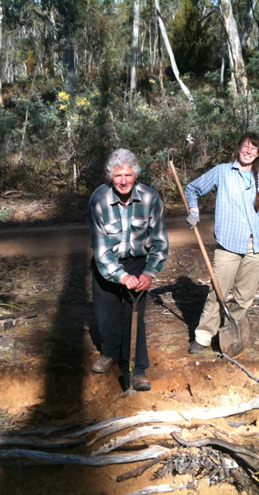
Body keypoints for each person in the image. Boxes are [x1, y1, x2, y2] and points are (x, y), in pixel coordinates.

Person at [185, 132, 259, 354]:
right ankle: (204, 336)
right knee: (217, 292)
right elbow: (192, 189)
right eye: (246, 147)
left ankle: (229, 332)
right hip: (228, 244)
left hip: (255, 245)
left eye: (254, 149)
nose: (249, 152)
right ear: (238, 148)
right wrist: (194, 210)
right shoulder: (222, 172)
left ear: (258, 153)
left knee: (245, 296)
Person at [88, 148, 169, 392]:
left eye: (128, 175)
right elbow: (100, 247)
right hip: (107, 263)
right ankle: (110, 353)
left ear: (135, 175)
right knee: (106, 313)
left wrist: (149, 273)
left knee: (134, 313)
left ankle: (137, 369)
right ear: (110, 177)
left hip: (138, 261)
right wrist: (121, 276)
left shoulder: (151, 198)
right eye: (117, 176)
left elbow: (160, 242)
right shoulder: (98, 200)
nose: (123, 181)